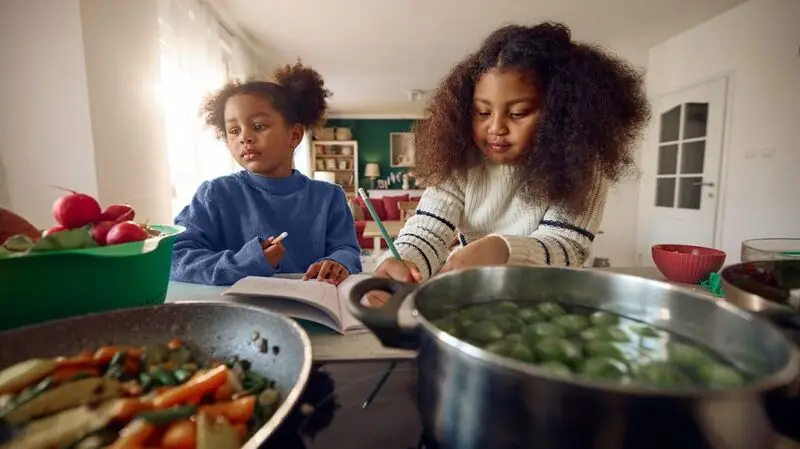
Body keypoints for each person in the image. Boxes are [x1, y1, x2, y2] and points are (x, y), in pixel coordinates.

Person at [374, 22, 650, 284]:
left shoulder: (583, 164)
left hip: (546, 294)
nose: (495, 127)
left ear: (561, 114)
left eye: (517, 113)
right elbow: (429, 226)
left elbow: (567, 246)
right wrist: (404, 259)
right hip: (479, 293)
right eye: (482, 112)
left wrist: (503, 249)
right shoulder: (461, 157)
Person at [171, 61, 362, 286]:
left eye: (259, 126)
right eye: (234, 130)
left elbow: (346, 250)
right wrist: (245, 261)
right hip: (235, 314)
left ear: (295, 135)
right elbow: (175, 257)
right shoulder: (215, 194)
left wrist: (338, 262)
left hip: (313, 309)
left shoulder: (329, 196)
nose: (244, 137)